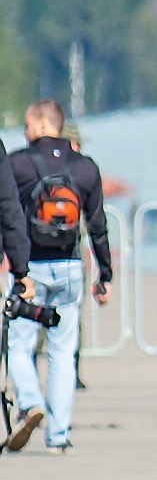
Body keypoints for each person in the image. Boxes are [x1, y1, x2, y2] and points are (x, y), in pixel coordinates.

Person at [6, 99, 106, 454]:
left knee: (19, 343)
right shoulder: (84, 167)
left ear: (42, 124)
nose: (24, 130)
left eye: (27, 123)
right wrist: (104, 274)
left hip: (28, 267)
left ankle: (30, 401)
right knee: (63, 352)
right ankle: (58, 434)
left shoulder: (16, 164)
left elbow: (8, 214)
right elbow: (97, 224)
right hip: (69, 267)